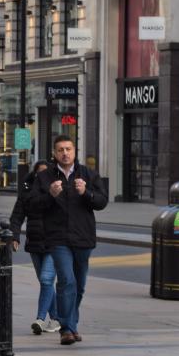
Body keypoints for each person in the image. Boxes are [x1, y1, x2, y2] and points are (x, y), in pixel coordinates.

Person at [30, 135, 108, 345]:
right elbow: (33, 205)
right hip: (58, 239)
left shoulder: (88, 174)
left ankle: (71, 324)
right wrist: (50, 196)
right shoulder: (44, 177)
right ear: (54, 154)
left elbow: (102, 201)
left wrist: (86, 193)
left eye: (68, 149)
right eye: (60, 150)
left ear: (74, 151)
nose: (65, 153)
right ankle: (66, 329)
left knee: (79, 286)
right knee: (67, 281)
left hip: (83, 237)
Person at [9, 160, 61, 335]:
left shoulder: (56, 190)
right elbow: (17, 216)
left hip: (54, 243)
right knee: (45, 282)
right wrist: (14, 236)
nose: (43, 177)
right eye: (40, 173)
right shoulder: (27, 191)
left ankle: (40, 319)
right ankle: (56, 319)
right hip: (35, 243)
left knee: (46, 280)